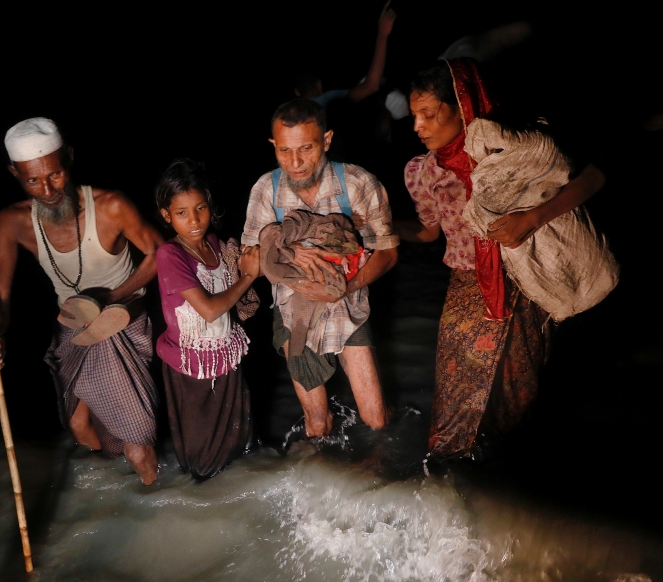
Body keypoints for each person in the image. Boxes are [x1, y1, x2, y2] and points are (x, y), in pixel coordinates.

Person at [400, 59, 607, 460]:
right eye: (413, 116)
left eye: (428, 114)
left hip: (526, 280)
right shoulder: (421, 172)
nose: (417, 126)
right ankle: (449, 474)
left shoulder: (512, 149)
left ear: (461, 107)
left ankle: (504, 470)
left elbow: (593, 178)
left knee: (518, 384)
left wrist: (531, 219)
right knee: (456, 388)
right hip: (466, 286)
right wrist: (377, 228)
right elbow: (428, 232)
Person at [0, 118, 164, 485]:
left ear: (69, 159)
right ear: (14, 173)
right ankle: (116, 497)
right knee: (79, 427)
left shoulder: (110, 205)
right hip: (73, 328)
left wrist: (112, 296)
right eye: (32, 180)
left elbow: (159, 253)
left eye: (55, 174)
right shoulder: (12, 221)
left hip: (122, 323)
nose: (47, 189)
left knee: (137, 446)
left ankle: (155, 497)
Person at [242, 99, 399, 450]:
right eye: (284, 151)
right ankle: (321, 490)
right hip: (293, 313)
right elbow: (247, 260)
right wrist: (285, 249)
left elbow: (388, 253)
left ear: (326, 140)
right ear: (273, 145)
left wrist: (345, 287)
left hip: (350, 308)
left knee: (376, 419)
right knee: (316, 422)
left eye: (306, 149)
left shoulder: (359, 184)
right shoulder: (265, 190)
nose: (295, 163)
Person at [153, 159, 260, 479]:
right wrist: (248, 277)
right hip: (192, 368)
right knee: (203, 457)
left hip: (226, 357)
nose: (194, 219)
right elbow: (211, 309)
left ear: (209, 205)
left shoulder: (214, 243)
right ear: (166, 216)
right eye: (182, 213)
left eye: (200, 208)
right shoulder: (170, 255)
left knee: (239, 443)